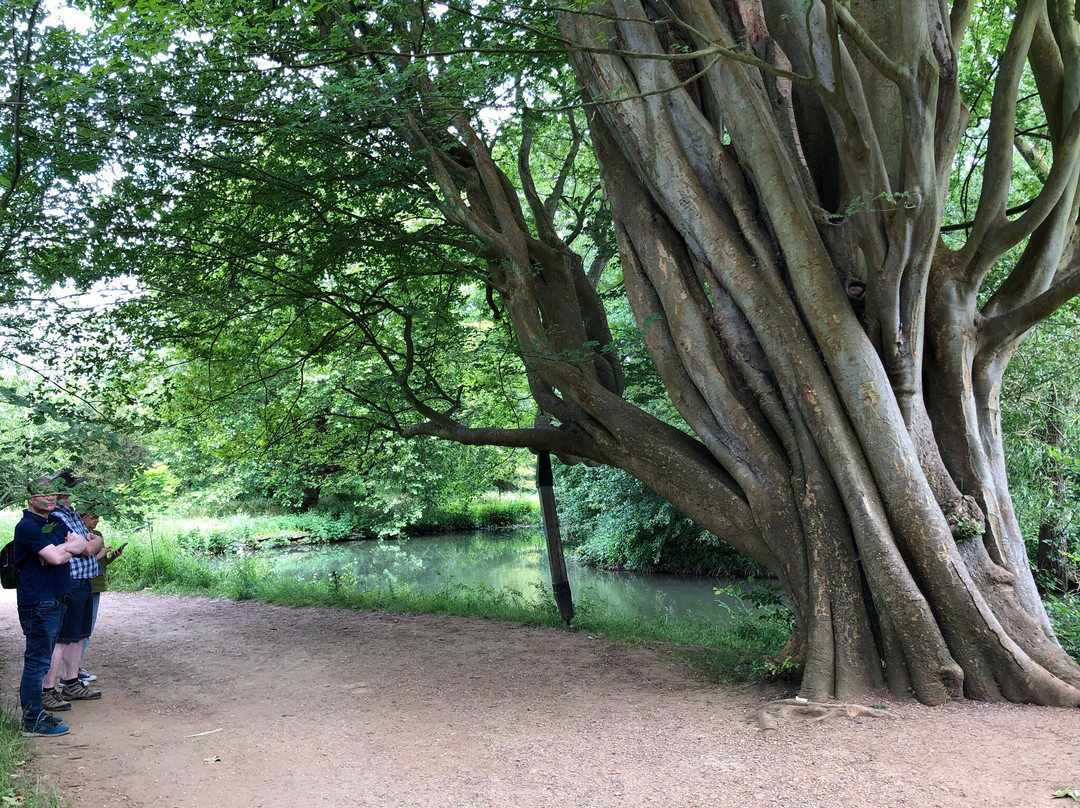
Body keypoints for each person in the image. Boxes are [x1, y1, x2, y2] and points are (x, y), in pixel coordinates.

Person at [13, 478, 92, 737]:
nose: (49, 499)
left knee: (43, 659)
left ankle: (36, 714)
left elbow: (85, 545)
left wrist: (64, 549)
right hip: (38, 602)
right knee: (37, 662)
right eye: (43, 495)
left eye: (53, 495)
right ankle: (32, 721)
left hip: (56, 599)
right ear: (30, 498)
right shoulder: (27, 526)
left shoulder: (54, 522)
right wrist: (66, 549)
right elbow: (60, 555)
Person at [40, 470, 103, 708]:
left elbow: (93, 540)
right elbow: (88, 548)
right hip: (71, 580)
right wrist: (89, 543)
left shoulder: (71, 513)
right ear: (64, 489)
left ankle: (71, 682)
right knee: (64, 637)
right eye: (74, 486)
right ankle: (47, 688)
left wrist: (90, 541)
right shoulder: (56, 515)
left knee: (78, 635)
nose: (77, 490)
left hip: (84, 580)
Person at [78, 510, 125, 681]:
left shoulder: (97, 535)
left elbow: (101, 563)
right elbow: (79, 563)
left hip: (97, 585)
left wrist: (111, 557)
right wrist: (98, 555)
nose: (96, 520)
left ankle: (75, 669)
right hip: (82, 585)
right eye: (92, 517)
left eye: (98, 517)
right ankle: (73, 671)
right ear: (82, 517)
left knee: (87, 630)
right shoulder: (77, 535)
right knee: (80, 630)